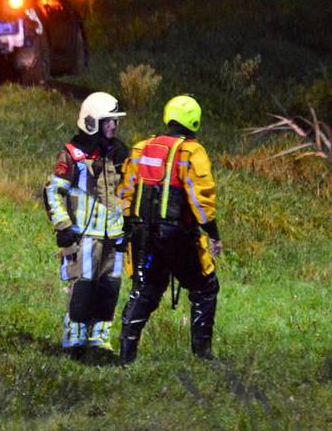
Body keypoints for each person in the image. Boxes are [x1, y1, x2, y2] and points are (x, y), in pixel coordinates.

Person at [118, 94, 222, 364]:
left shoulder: (141, 148)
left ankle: (126, 357)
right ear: (194, 121)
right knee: (204, 288)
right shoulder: (191, 151)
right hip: (176, 236)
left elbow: (126, 191)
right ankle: (203, 354)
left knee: (144, 290)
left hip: (142, 234)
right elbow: (202, 199)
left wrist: (129, 229)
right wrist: (212, 233)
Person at [42, 91, 129, 354]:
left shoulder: (119, 153)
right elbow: (53, 191)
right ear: (92, 122)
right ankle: (75, 337)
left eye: (115, 121)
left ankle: (100, 337)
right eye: (108, 121)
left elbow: (127, 190)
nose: (113, 126)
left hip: (114, 235)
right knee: (83, 286)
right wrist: (63, 226)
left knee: (110, 287)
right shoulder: (72, 154)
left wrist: (131, 223)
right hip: (84, 235)